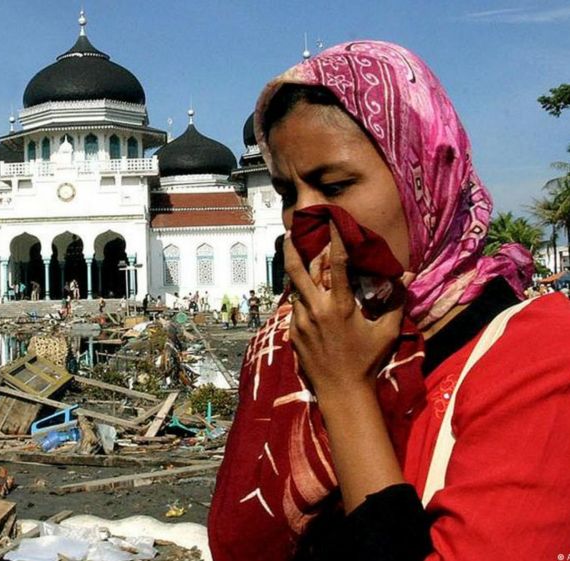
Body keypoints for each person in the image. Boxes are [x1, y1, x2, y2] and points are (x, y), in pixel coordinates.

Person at [209, 41, 570, 561]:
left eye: (334, 184)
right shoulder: (302, 341)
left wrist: (345, 392)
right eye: (288, 194)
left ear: (424, 175)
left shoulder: (537, 357)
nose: (304, 219)